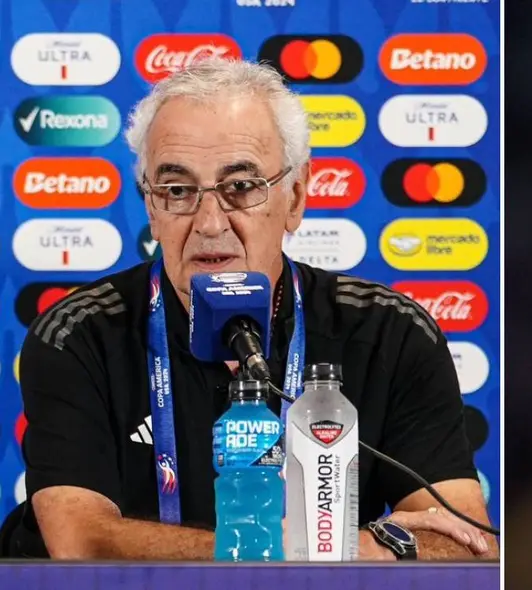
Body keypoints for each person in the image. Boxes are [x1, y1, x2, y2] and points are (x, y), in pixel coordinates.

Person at [12, 57, 498, 561]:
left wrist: (332, 555)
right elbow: (83, 544)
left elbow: (467, 543)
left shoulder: (391, 333)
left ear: (296, 197)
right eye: (178, 190)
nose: (209, 222)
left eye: (240, 187)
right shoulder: (78, 335)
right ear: (152, 209)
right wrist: (301, 553)